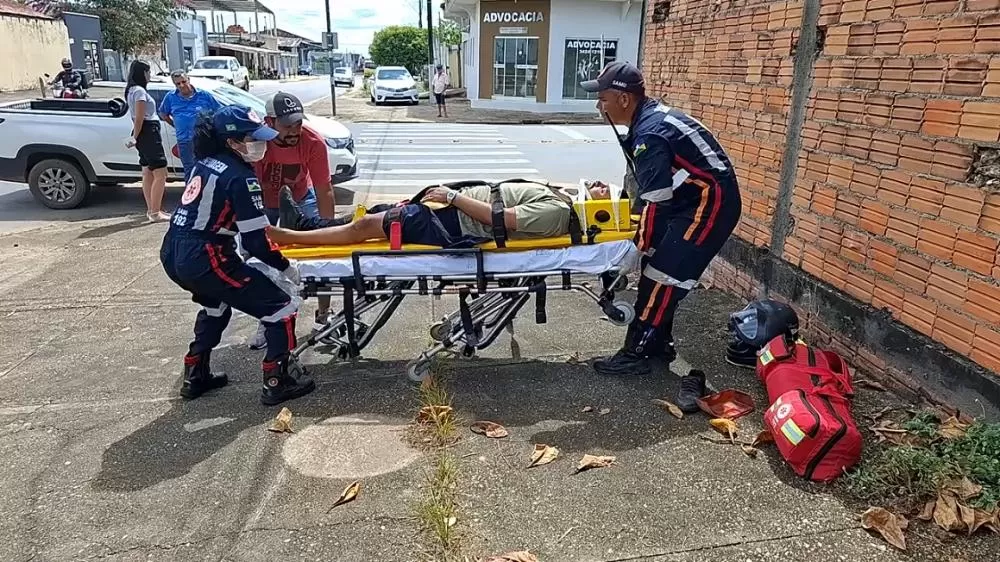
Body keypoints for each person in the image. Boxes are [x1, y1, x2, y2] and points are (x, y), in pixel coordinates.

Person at [582, 61, 743, 412]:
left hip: (708, 204)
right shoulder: (649, 120)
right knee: (660, 268)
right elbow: (656, 197)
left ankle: (636, 352)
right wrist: (645, 244)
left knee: (661, 276)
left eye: (604, 98)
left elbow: (655, 204)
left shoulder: (650, 135)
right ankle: (659, 341)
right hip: (693, 200)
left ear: (624, 99)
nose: (599, 106)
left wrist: (638, 249)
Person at [160, 104, 316, 406]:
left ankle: (195, 373)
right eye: (253, 138)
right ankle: (277, 380)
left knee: (215, 305)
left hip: (173, 251)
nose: (260, 144)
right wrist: (286, 267)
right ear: (232, 142)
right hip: (207, 255)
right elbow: (257, 242)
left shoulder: (204, 163)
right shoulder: (241, 177)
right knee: (281, 308)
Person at [246, 91, 337, 347]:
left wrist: (326, 230)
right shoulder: (256, 141)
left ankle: (324, 315)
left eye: (298, 123)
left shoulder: (312, 142)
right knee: (260, 261)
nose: (294, 130)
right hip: (263, 201)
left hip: (301, 198)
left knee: (323, 254)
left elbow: (324, 189)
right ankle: (267, 319)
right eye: (287, 126)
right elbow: (247, 185)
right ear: (269, 121)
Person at [265, 180, 611, 247]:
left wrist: (453, 196)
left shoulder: (556, 212)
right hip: (449, 211)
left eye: (606, 191)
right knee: (381, 212)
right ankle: (308, 223)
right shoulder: (562, 196)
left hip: (454, 224)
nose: (601, 184)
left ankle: (292, 236)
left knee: (372, 224)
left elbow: (497, 219)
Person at [125, 60, 170, 222]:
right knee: (160, 172)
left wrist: (136, 136)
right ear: (142, 73)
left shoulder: (132, 90)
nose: (149, 75)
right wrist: (135, 137)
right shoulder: (139, 92)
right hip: (148, 132)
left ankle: (152, 209)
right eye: (148, 72)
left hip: (145, 132)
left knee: (147, 171)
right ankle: (155, 211)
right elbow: (139, 117)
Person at [158, 70, 223, 180]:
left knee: (207, 169)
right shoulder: (170, 97)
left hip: (204, 140)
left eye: (183, 81)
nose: (182, 85)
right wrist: (176, 125)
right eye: (178, 84)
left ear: (188, 80)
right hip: (185, 141)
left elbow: (219, 112)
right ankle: (191, 196)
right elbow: (163, 114)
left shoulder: (204, 95)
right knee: (189, 170)